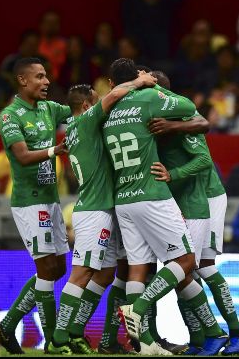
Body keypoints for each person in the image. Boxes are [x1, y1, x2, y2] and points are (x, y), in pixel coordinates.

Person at [102, 58, 222, 356]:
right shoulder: (148, 98)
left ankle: (142, 343)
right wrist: (152, 85)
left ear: (111, 83)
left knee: (137, 269)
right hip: (152, 194)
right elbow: (189, 108)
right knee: (184, 262)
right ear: (138, 78)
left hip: (123, 200)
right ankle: (137, 310)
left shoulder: (107, 111)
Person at [47, 74, 157, 354]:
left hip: (100, 209)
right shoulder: (85, 121)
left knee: (106, 273)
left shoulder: (73, 128)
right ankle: (58, 338)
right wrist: (140, 81)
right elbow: (112, 97)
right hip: (94, 211)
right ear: (86, 106)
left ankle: (74, 330)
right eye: (95, 104)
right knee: (82, 272)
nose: (101, 109)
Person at [148, 71, 239, 355]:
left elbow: (204, 160)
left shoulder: (181, 119)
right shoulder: (156, 122)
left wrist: (173, 173)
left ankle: (234, 334)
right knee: (186, 268)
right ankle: (200, 339)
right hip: (185, 198)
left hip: (207, 196)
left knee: (197, 267)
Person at [0, 57, 72, 354]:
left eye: (46, 76)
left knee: (56, 268)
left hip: (51, 200)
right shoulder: (10, 116)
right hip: (29, 202)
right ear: (23, 80)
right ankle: (52, 342)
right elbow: (23, 156)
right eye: (39, 76)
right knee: (45, 267)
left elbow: (78, 109)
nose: (46, 81)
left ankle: (6, 327)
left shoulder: (50, 109)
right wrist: (56, 149)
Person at [37, 10, 67, 81]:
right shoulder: (35, 44)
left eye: (54, 23)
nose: (51, 26)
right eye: (48, 23)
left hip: (61, 84)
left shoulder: (65, 45)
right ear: (41, 25)